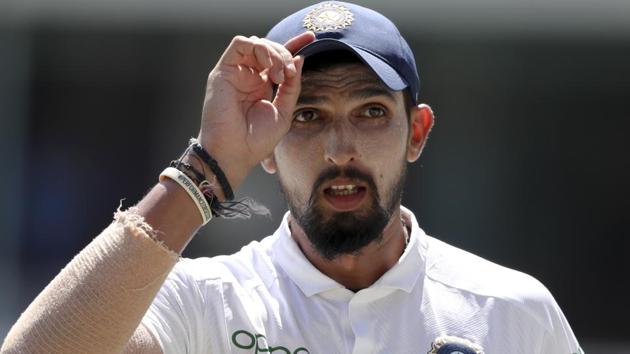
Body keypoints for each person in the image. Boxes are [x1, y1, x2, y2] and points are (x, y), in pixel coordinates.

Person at [1, 2, 583, 353]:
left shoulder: (511, 311)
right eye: (306, 115)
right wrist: (209, 164)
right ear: (270, 147)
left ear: (417, 133)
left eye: (371, 112)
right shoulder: (207, 304)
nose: (339, 148)